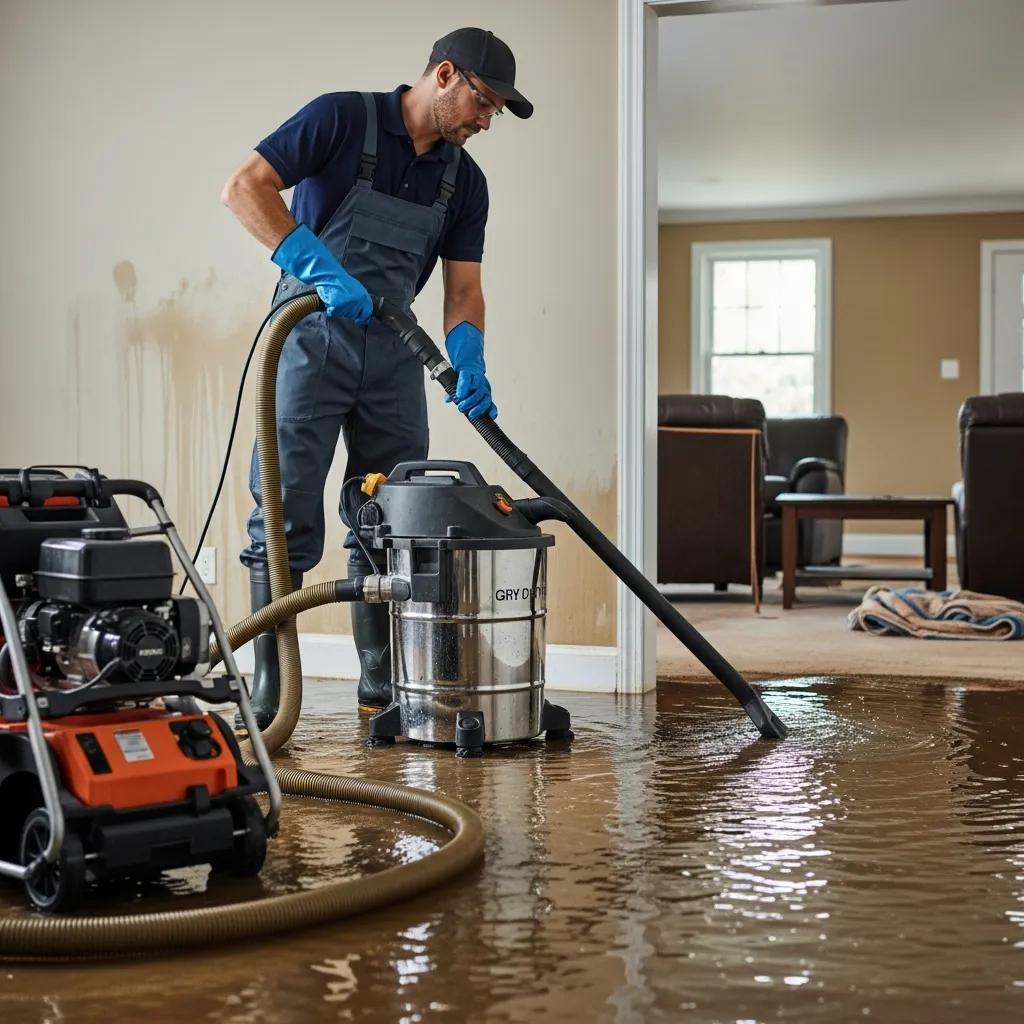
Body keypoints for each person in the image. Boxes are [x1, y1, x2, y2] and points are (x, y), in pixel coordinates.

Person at [221, 28, 532, 728]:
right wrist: (321, 271)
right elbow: (243, 187)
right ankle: (271, 690)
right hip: (306, 336)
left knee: (389, 519)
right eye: (484, 104)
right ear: (445, 75)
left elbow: (463, 290)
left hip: (395, 351)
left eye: (496, 114)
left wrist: (470, 358)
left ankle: (379, 683)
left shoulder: (463, 181)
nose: (487, 122)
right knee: (282, 509)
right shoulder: (340, 117)